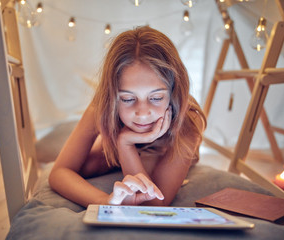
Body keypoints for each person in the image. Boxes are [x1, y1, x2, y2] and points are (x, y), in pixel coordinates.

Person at [49, 26, 206, 207]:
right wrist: (104, 201)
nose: (142, 112)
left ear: (173, 93)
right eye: (128, 98)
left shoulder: (189, 120)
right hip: (117, 138)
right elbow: (60, 172)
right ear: (112, 95)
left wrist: (126, 143)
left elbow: (154, 204)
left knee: (142, 167)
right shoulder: (102, 107)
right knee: (87, 167)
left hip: (165, 147)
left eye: (155, 98)